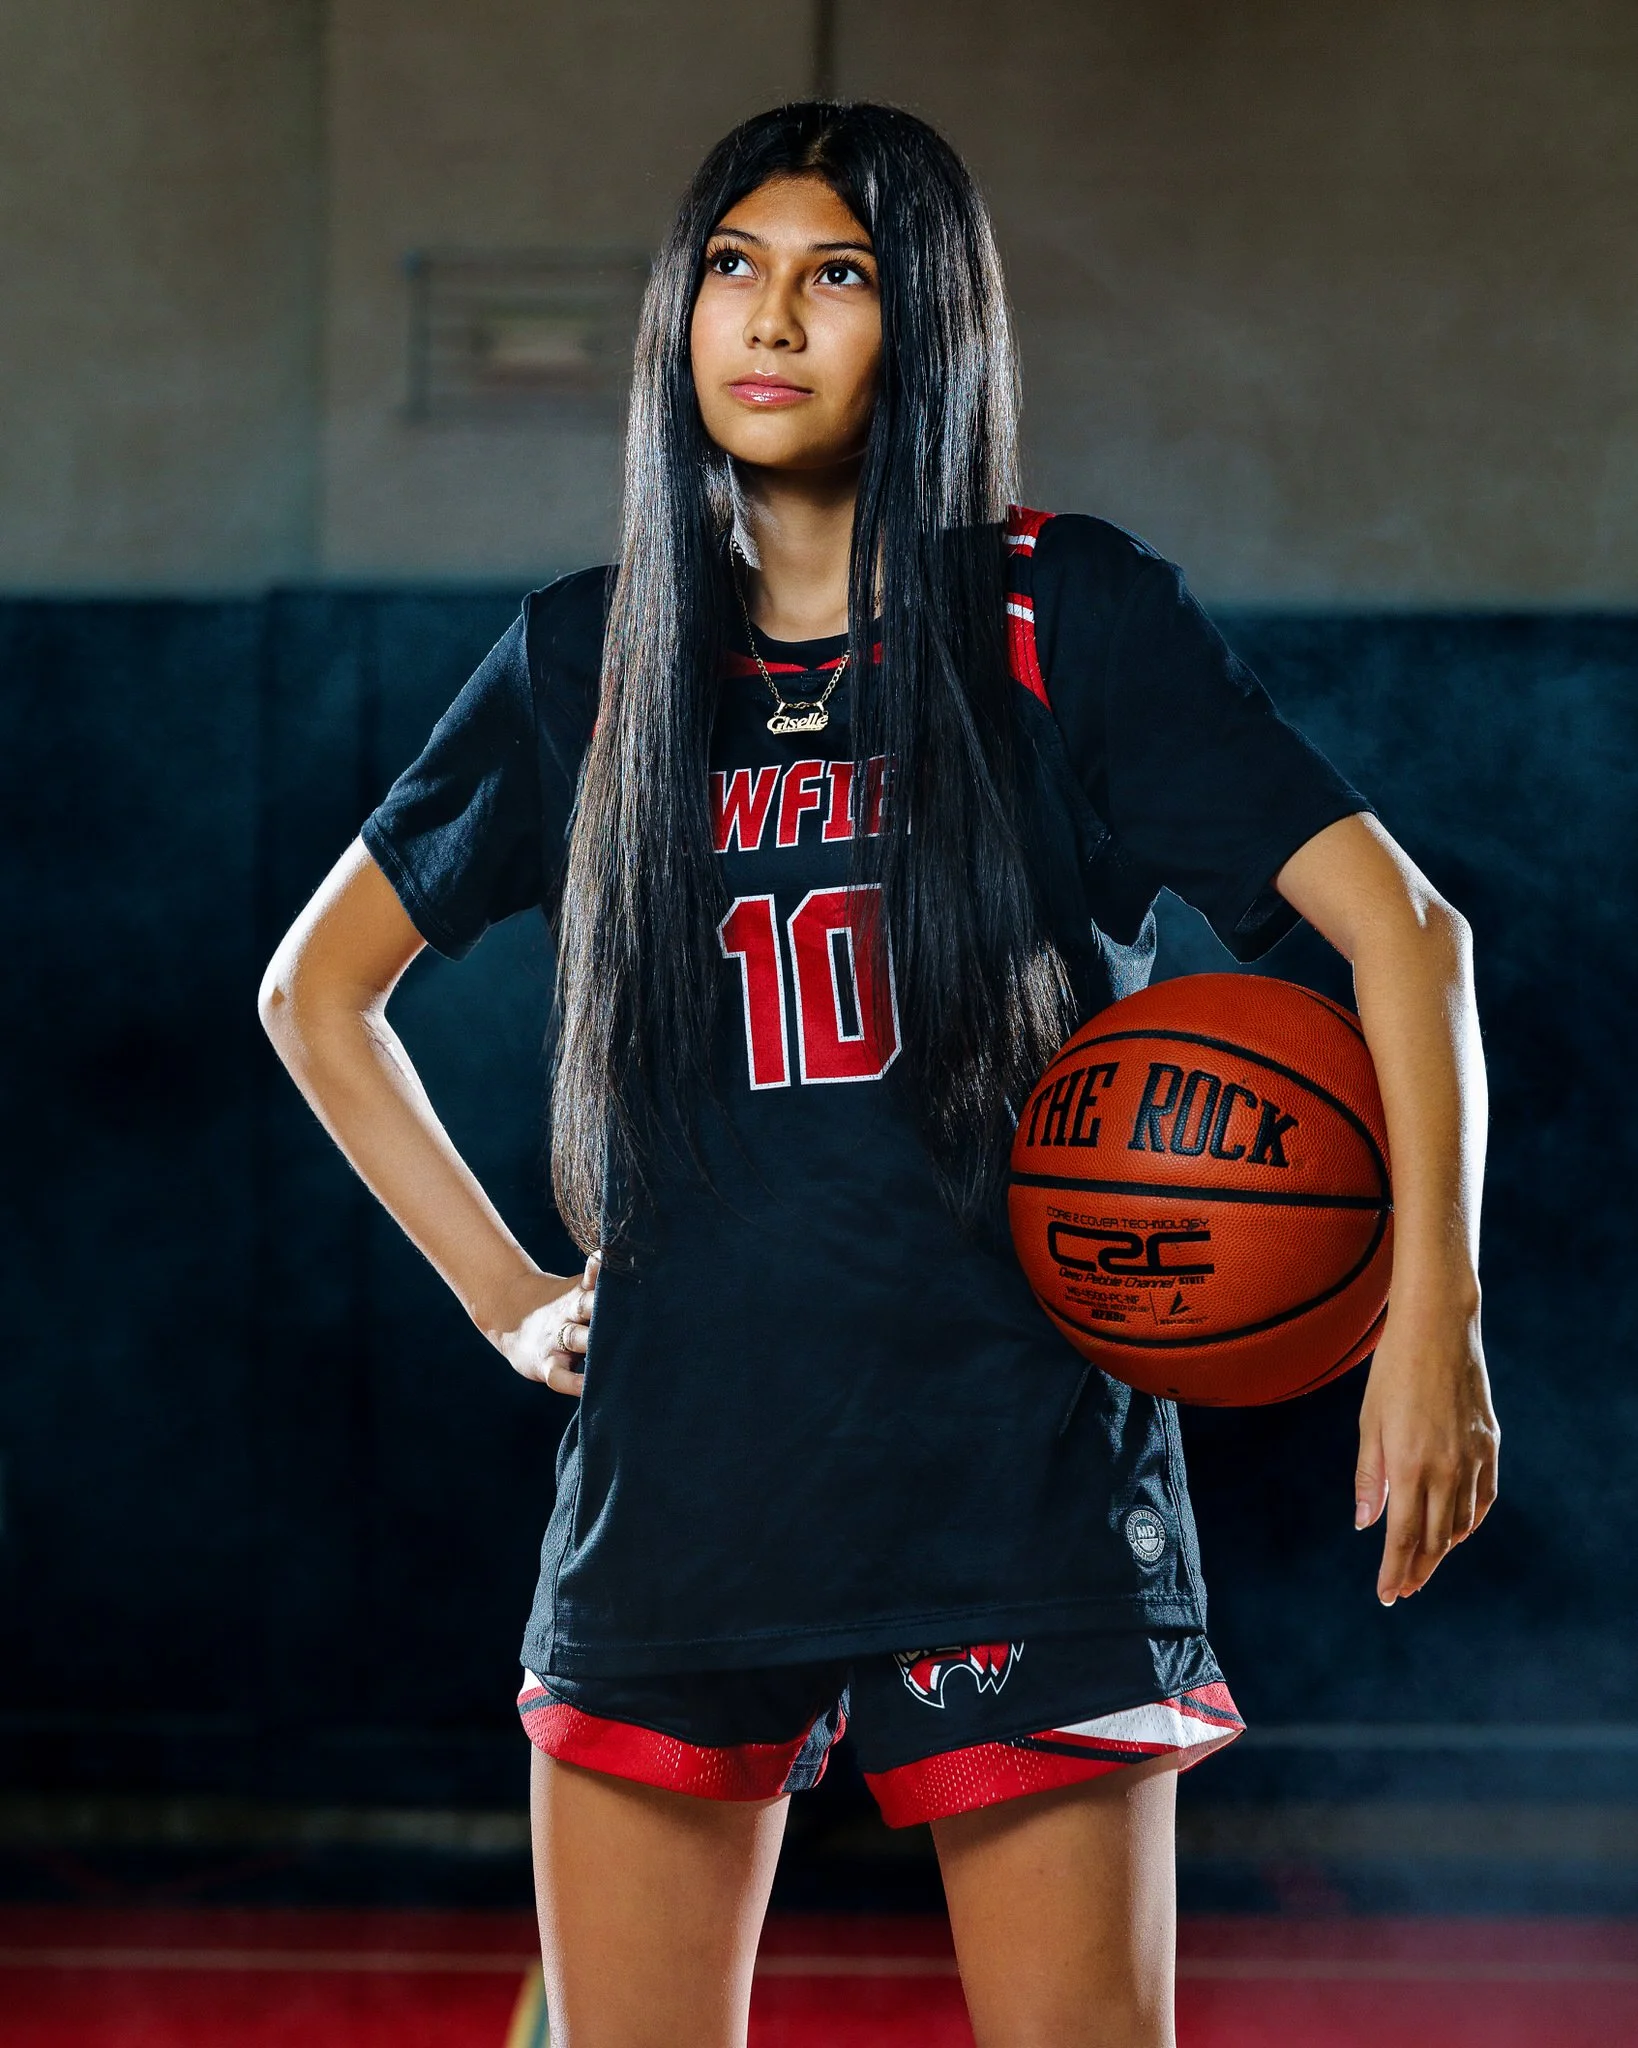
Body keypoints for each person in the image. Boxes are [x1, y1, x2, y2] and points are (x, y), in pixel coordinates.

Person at [260, 101, 1499, 2048]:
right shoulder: (596, 657)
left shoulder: (1057, 618)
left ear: (926, 327)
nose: (774, 318)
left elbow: (1408, 939)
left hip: (1014, 1471)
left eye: (836, 274)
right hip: (686, 1473)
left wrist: (1435, 1313)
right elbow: (316, 993)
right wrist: (505, 1292)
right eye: (733, 269)